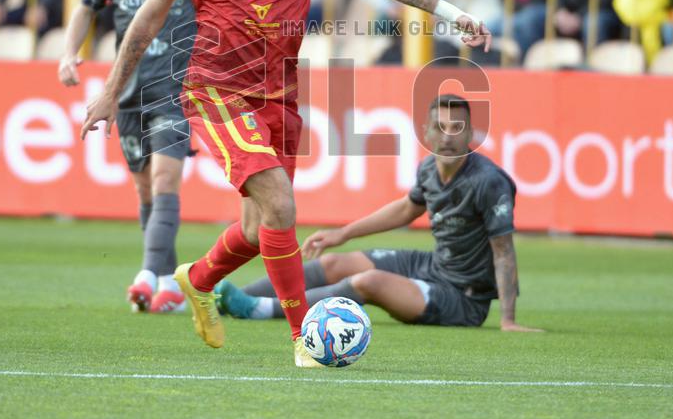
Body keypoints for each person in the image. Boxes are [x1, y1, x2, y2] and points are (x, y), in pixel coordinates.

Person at [80, 0, 491, 367]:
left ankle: (197, 280)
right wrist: (111, 90)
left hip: (279, 96)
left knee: (256, 229)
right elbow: (150, 16)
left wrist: (450, 14)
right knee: (280, 203)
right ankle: (305, 338)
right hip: (216, 91)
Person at [214, 94, 541, 332]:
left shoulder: (489, 181)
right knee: (333, 262)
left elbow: (504, 253)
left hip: (462, 298)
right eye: (440, 127)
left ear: (471, 134)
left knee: (367, 282)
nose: (448, 136)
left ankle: (259, 309)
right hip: (435, 267)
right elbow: (404, 209)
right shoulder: (429, 168)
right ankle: (227, 295)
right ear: (427, 132)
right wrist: (342, 233)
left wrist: (508, 320)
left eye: (457, 128)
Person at [60, 0, 195, 315]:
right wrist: (68, 54)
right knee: (144, 192)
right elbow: (86, 7)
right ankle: (169, 288)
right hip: (129, 92)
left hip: (175, 89)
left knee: (165, 179)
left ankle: (146, 275)